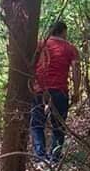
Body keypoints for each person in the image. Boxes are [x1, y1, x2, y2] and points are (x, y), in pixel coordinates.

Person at [31, 20, 80, 161]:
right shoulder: (70, 48)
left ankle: (40, 157)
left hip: (39, 89)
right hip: (59, 91)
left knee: (37, 124)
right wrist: (76, 91)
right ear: (63, 31)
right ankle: (55, 158)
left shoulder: (40, 44)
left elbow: (31, 65)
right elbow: (76, 70)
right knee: (58, 126)